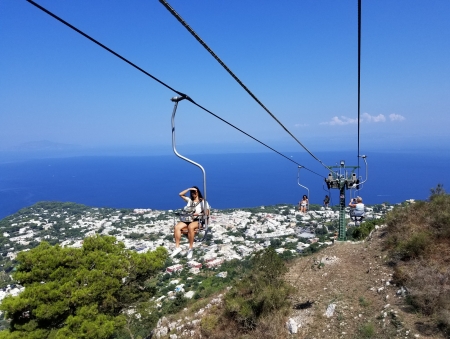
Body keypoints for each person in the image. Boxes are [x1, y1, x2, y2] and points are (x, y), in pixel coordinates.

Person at [172, 186, 210, 259]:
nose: (193, 194)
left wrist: (198, 214)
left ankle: (190, 248)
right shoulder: (189, 201)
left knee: (190, 227)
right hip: (188, 219)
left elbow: (207, 213)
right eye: (192, 192)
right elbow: (180, 194)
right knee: (177, 227)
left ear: (198, 192)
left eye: (195, 192)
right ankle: (177, 247)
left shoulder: (203, 202)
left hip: (198, 220)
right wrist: (189, 189)